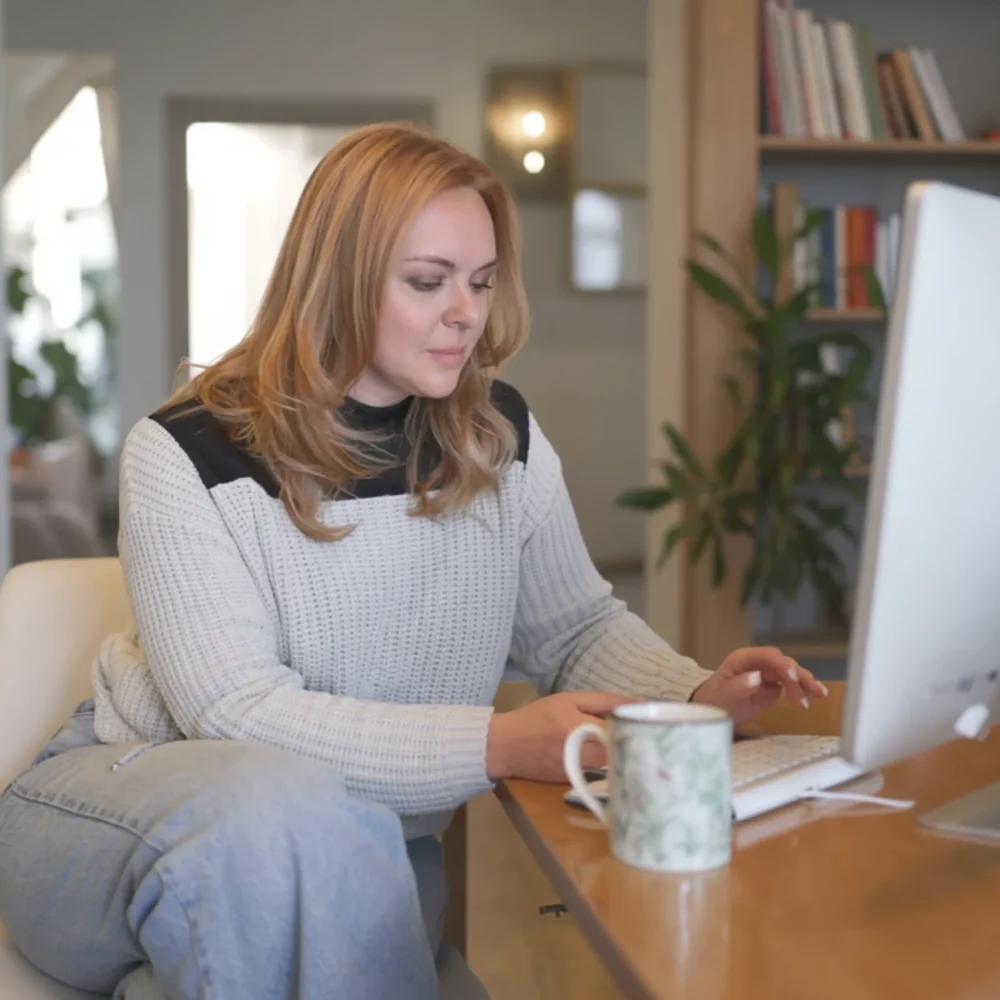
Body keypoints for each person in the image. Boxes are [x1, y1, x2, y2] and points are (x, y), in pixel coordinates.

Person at [0, 123, 826, 1000]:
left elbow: (576, 626)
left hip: (359, 847)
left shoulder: (497, 436)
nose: (466, 312)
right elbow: (232, 713)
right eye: (429, 282)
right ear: (339, 281)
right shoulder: (185, 450)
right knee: (271, 814)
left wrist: (695, 699)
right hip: (118, 808)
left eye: (479, 281)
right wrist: (501, 742)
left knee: (294, 895)